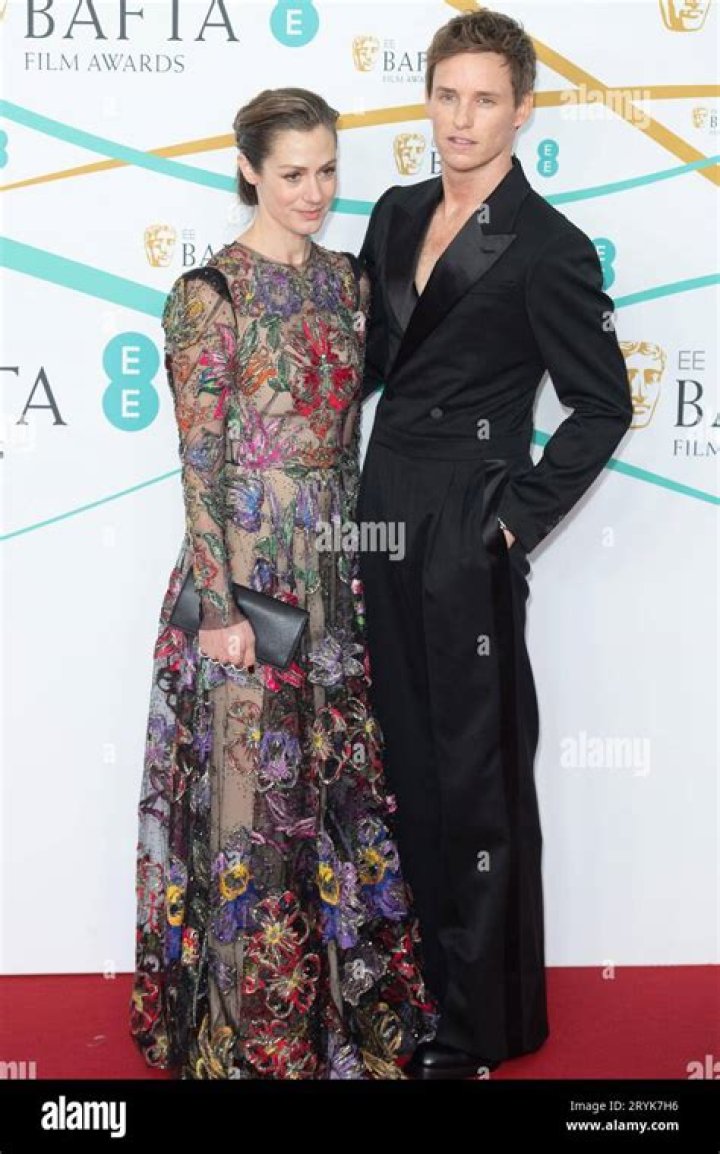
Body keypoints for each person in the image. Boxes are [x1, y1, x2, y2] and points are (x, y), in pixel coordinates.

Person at [129, 87, 438, 1080]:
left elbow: (353, 432)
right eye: (293, 173)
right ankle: (249, 1030)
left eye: (328, 171)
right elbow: (200, 465)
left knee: (333, 792)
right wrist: (219, 611)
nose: (315, 191)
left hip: (334, 576)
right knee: (249, 809)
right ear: (249, 170)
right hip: (248, 587)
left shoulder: (348, 284)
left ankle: (336, 1008)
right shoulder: (207, 295)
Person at [357, 10, 633, 1079]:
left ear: (523, 110)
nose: (461, 119)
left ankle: (482, 1023)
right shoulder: (396, 212)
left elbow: (602, 404)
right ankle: (427, 988)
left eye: (484, 99)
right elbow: (370, 361)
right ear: (427, 98)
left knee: (477, 775)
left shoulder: (549, 246)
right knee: (405, 761)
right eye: (446, 95)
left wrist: (513, 518)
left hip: (466, 525)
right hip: (381, 512)